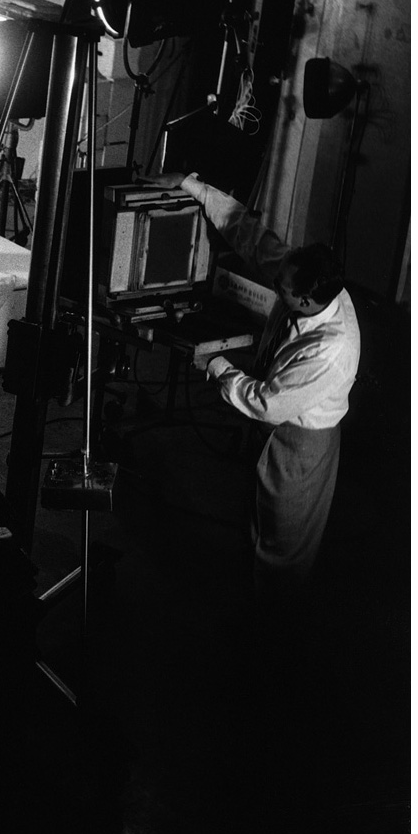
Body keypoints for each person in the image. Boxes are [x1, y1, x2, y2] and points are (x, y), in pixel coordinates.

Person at [146, 170, 361, 605]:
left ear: (305, 301)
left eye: (281, 287)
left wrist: (217, 365)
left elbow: (266, 404)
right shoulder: (305, 280)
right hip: (275, 423)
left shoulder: (331, 349)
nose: (274, 282)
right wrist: (192, 186)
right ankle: (251, 603)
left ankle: (270, 631)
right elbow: (252, 238)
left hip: (302, 442)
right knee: (255, 525)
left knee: (284, 547)